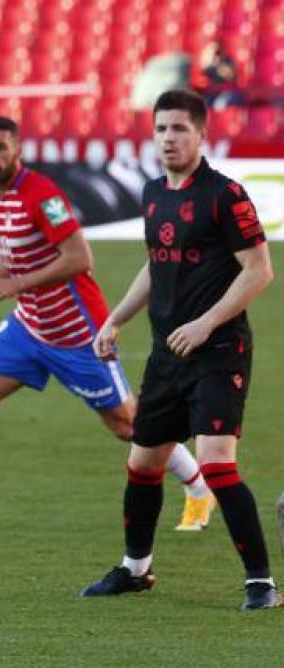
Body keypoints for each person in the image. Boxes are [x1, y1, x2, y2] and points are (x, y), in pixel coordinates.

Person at [0, 115, 212, 532]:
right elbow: (11, 255)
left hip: (77, 334)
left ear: (17, 150)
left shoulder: (43, 194)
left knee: (129, 425)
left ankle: (200, 490)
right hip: (28, 328)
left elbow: (78, 258)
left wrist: (17, 283)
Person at [81, 90, 277, 610]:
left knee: (216, 465)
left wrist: (207, 322)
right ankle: (135, 570)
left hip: (219, 350)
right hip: (167, 354)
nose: (169, 138)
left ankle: (261, 582)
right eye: (162, 129)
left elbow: (259, 271)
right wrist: (116, 319)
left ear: (201, 134)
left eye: (179, 129)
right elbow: (156, 263)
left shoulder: (225, 194)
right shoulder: (151, 193)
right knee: (143, 464)